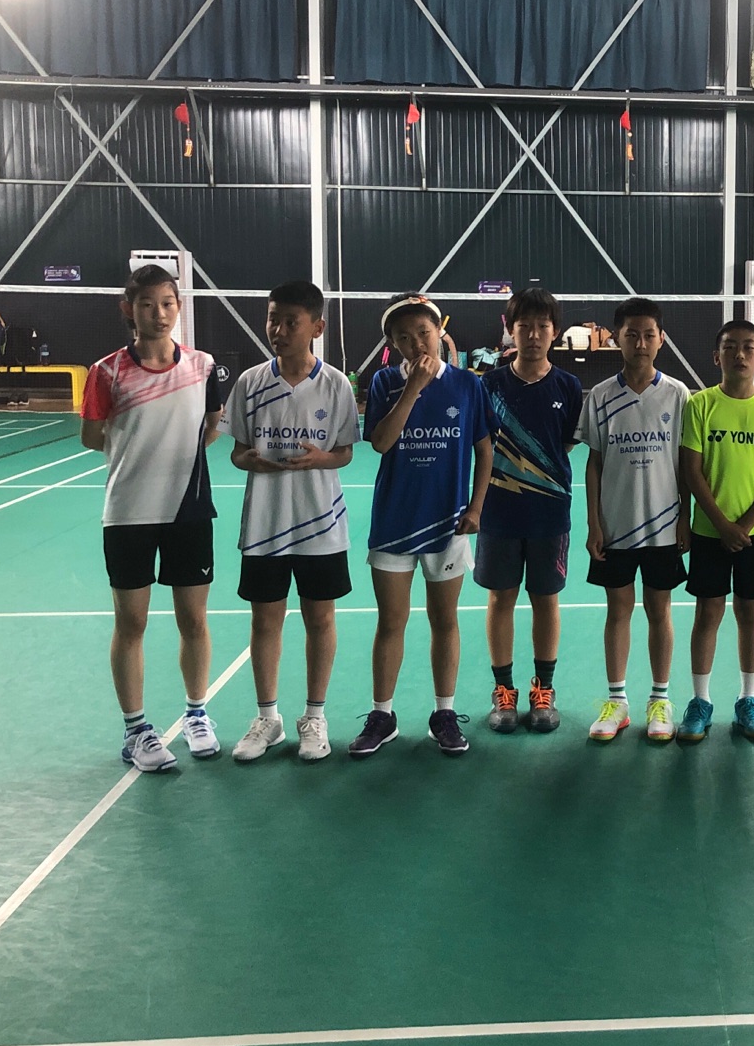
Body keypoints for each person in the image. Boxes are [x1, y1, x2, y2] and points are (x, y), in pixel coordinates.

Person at [80, 265, 225, 773]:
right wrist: (138, 453)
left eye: (167, 303)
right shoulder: (107, 372)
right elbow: (92, 436)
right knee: (132, 622)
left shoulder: (203, 366)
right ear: (129, 309)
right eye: (147, 304)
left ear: (178, 306)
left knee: (194, 620)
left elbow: (211, 426)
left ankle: (196, 715)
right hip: (128, 513)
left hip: (189, 511)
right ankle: (136, 730)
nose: (159, 314)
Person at [349, 293, 492, 758]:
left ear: (440, 332)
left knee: (444, 620)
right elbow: (381, 442)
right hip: (395, 521)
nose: (416, 343)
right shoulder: (385, 381)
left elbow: (484, 450)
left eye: (424, 333)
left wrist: (476, 507)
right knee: (391, 622)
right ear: (393, 344)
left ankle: (444, 713)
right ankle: (383, 715)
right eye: (404, 338)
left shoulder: (468, 385)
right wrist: (413, 388)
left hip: (449, 523)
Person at [225, 281, 358, 764]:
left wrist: (323, 458)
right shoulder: (249, 383)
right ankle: (268, 718)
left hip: (321, 522)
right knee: (265, 619)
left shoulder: (337, 385)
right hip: (265, 522)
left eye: (290, 322)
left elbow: (344, 452)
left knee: (320, 618)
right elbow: (238, 451)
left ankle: (314, 716)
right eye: (272, 320)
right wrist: (249, 461)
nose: (278, 330)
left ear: (317, 327)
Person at [676, 320, 754, 743]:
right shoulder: (700, 405)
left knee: (750, 613)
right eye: (730, 347)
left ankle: (749, 699)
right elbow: (692, 471)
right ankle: (700, 701)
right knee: (707, 613)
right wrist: (721, 524)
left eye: (749, 347)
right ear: (717, 356)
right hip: (710, 532)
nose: (740, 354)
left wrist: (743, 526)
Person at [579, 297, 691, 743]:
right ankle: (618, 701)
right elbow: (593, 463)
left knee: (660, 611)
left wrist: (685, 517)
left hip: (664, 524)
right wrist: (594, 523)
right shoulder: (600, 396)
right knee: (618, 610)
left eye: (648, 335)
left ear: (661, 340)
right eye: (631, 335)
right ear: (616, 339)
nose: (640, 343)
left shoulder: (679, 395)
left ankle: (660, 699)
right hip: (616, 525)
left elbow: (687, 463)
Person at [477, 288, 584, 734]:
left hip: (549, 512)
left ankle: (544, 689)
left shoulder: (568, 387)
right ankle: (504, 691)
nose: (534, 335)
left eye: (543, 327)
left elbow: (566, 444)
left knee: (545, 599)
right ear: (510, 329)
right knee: (500, 598)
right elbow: (481, 445)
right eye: (525, 326)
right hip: (498, 512)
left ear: (555, 332)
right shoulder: (490, 385)